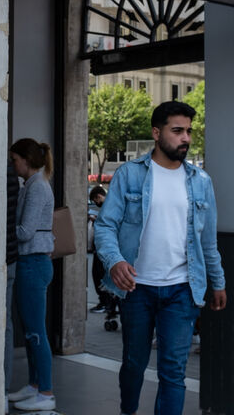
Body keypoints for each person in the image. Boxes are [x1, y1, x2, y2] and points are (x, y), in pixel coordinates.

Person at [94, 101, 227, 415]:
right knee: (133, 365)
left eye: (189, 132)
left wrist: (217, 281)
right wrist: (114, 261)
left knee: (173, 372)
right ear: (156, 133)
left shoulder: (201, 181)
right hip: (136, 289)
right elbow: (105, 226)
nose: (186, 138)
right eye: (177, 131)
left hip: (182, 290)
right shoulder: (129, 175)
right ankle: (128, 410)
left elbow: (208, 240)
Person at [7, 138, 56, 412]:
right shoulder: (33, 185)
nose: (13, 165)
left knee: (36, 332)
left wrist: (1, 229)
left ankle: (46, 391)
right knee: (31, 331)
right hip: (34, 262)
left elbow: (25, 232)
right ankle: (35, 385)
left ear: (26, 160)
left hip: (32, 263)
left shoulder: (37, 187)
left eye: (15, 160)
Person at [5, 160, 19, 414]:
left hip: (6, 258)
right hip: (10, 257)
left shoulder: (36, 187)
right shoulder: (19, 183)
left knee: (4, 324)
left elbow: (25, 229)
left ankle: (2, 387)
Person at [88, 185, 110, 313]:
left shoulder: (107, 207)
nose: (96, 203)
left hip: (103, 249)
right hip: (102, 248)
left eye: (95, 200)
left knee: (98, 275)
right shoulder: (110, 206)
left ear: (98, 197)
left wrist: (95, 220)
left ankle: (104, 303)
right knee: (99, 275)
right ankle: (106, 303)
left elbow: (106, 225)